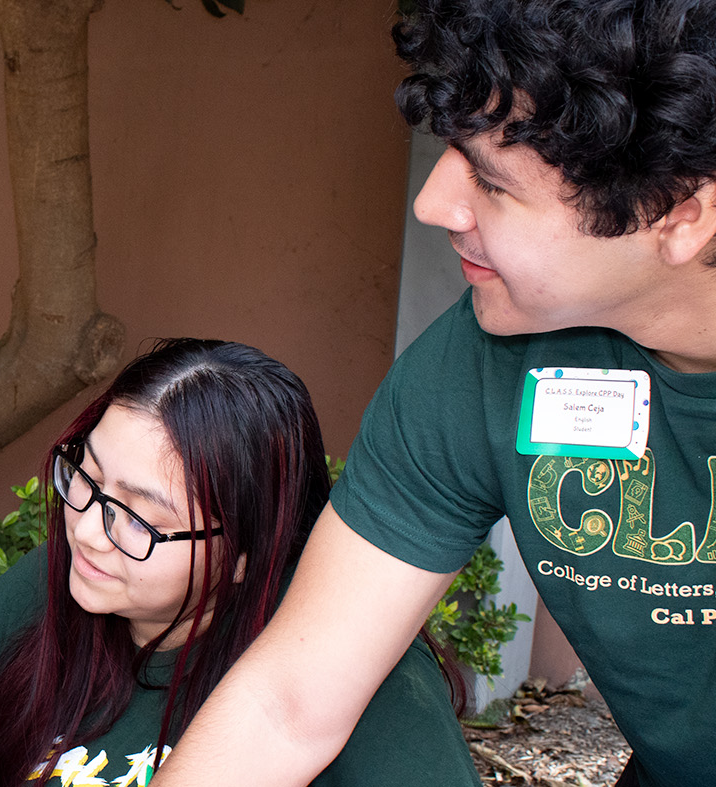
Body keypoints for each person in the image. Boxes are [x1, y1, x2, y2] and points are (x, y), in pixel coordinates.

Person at [149, 2, 716, 786]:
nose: (435, 204)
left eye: (490, 180)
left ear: (680, 213)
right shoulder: (485, 359)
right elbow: (288, 701)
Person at [0, 339, 480, 787]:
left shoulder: (355, 670)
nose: (88, 534)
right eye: (87, 478)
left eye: (144, 520)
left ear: (247, 556)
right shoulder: (49, 584)